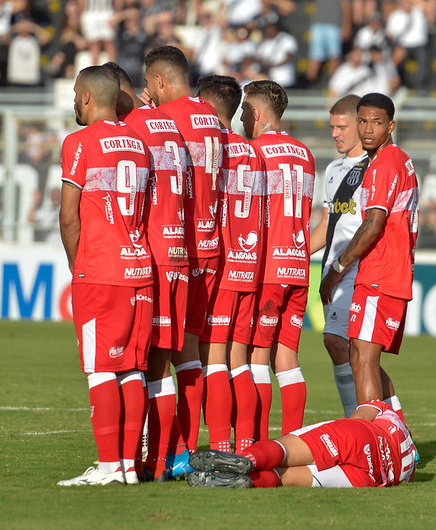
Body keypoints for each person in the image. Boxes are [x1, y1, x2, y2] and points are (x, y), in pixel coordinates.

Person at [57, 65, 153, 487]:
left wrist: (79, 266)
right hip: (140, 268)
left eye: (77, 93)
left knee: (100, 370)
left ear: (89, 98)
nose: (74, 100)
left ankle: (110, 466)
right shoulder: (139, 143)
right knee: (132, 369)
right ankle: (130, 466)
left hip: (101, 270)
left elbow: (68, 217)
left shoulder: (78, 142)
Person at [106, 61, 192, 481]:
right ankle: (161, 459)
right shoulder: (168, 125)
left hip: (150, 254)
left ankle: (144, 461)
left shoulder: (131, 127)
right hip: (179, 251)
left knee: (139, 364)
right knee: (161, 361)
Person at [140, 45, 223, 459]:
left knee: (156, 353)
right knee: (189, 353)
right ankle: (186, 450)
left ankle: (160, 451)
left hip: (178, 246)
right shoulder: (212, 117)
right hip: (213, 245)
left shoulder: (165, 119)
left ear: (158, 81)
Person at [319, 92, 418, 423]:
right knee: (362, 356)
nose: (367, 129)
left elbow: (373, 224)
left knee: (360, 359)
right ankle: (398, 436)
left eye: (376, 122)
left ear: (390, 126)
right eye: (362, 121)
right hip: (384, 272)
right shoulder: (395, 160)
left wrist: (336, 269)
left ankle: (373, 441)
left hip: (380, 272)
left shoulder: (383, 166)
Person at [196, 74, 267, 455]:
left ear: (205, 105)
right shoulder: (253, 152)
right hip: (250, 264)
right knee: (239, 358)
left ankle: (222, 446)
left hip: (220, 265)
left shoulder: (211, 147)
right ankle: (246, 444)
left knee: (214, 358)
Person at [242, 80, 315, 437]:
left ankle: (256, 443)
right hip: (299, 266)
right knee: (286, 358)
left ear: (256, 113)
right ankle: (292, 444)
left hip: (268, 266)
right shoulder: (305, 153)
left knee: (257, 357)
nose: (241, 117)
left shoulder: (254, 152)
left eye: (243, 110)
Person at [185, 399, 416, 488]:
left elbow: (359, 417)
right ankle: (247, 481)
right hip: (371, 476)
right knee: (287, 477)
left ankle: (247, 459)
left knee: (285, 450)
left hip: (359, 437)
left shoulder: (390, 415)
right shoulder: (410, 469)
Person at [308, 95, 369, 417]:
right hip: (331, 270)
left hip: (359, 270)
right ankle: (387, 423)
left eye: (342, 126)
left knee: (339, 342)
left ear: (360, 126)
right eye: (332, 127)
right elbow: (328, 225)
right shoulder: (333, 170)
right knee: (355, 352)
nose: (335, 133)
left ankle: (356, 421)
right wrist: (297, 252)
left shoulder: (374, 169)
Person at [305, 1, 350, 86]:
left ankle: (333, 85)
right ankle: (309, 85)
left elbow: (346, 6)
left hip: (334, 25)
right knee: (315, 57)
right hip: (318, 23)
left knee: (334, 56)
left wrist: (346, 25)